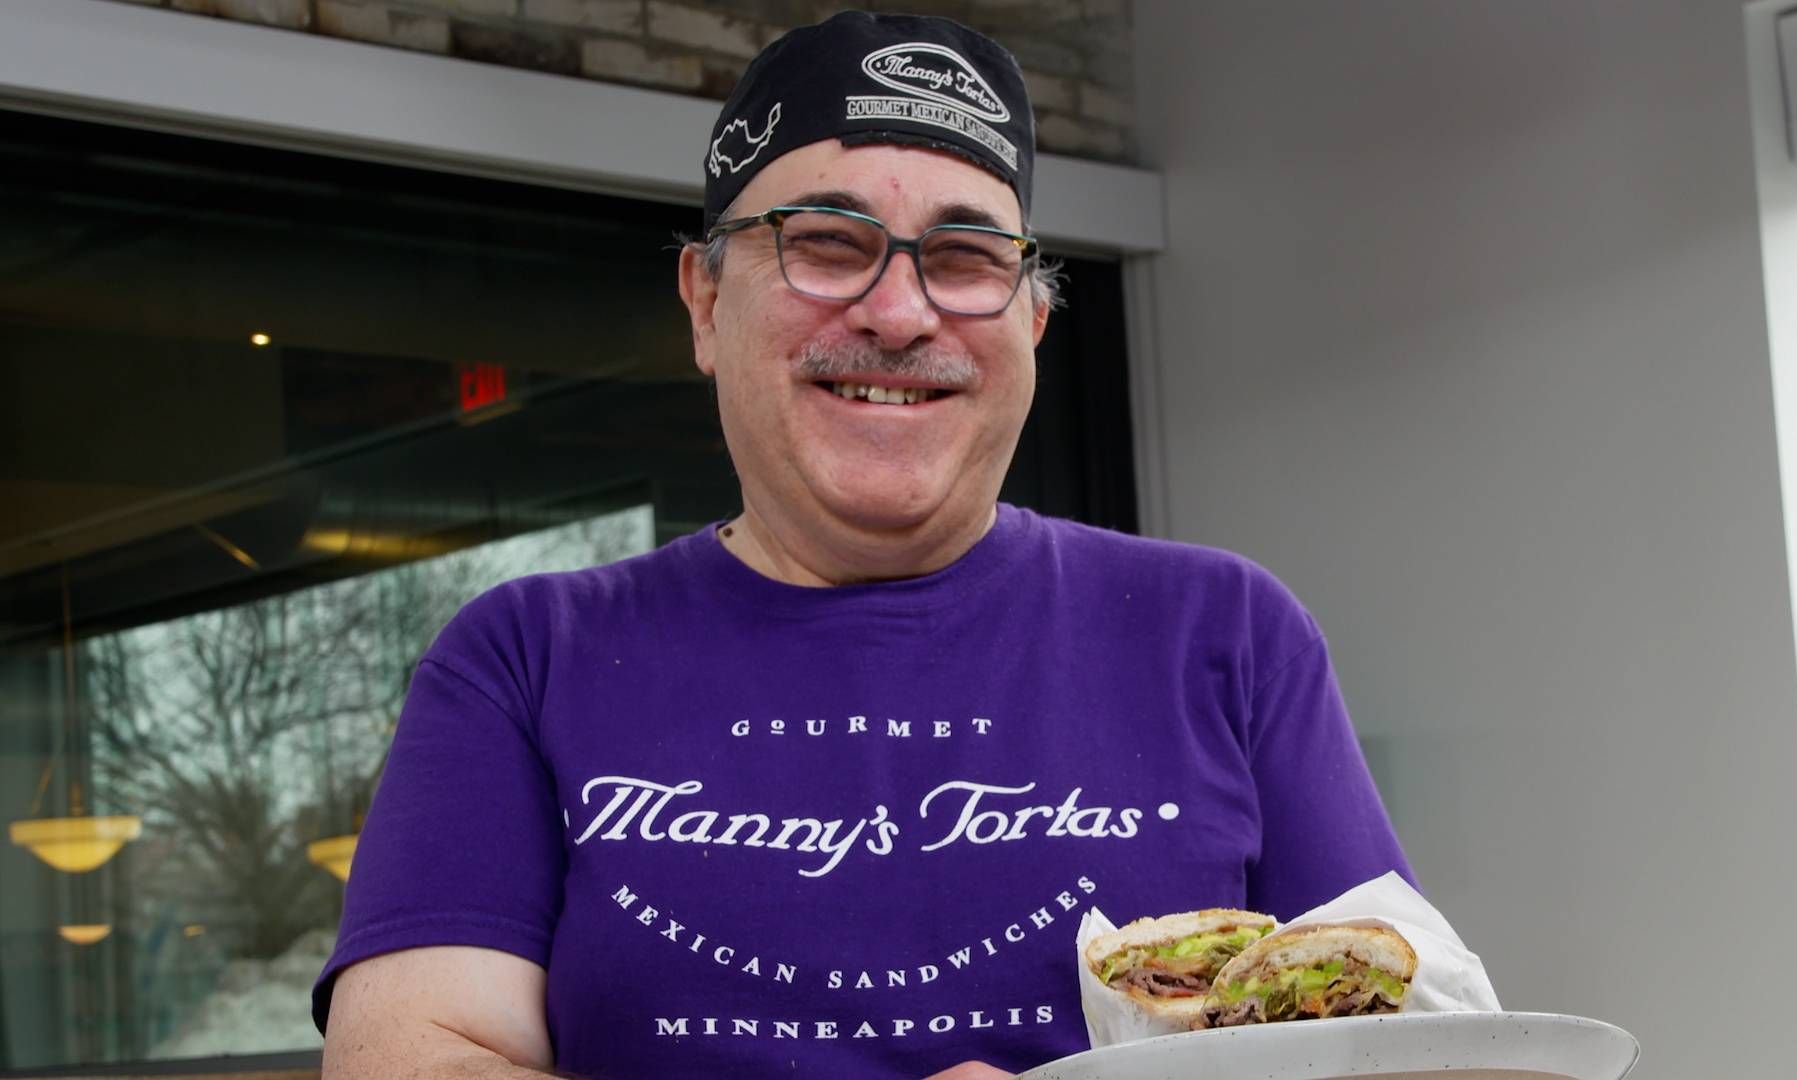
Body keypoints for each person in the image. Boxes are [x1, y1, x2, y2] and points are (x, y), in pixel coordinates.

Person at [313, 11, 1412, 1080]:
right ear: (704, 303)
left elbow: (1422, 1043)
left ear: (1031, 319)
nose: (899, 313)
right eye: (827, 245)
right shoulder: (525, 658)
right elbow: (405, 1060)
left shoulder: (1220, 632)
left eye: (967, 255)